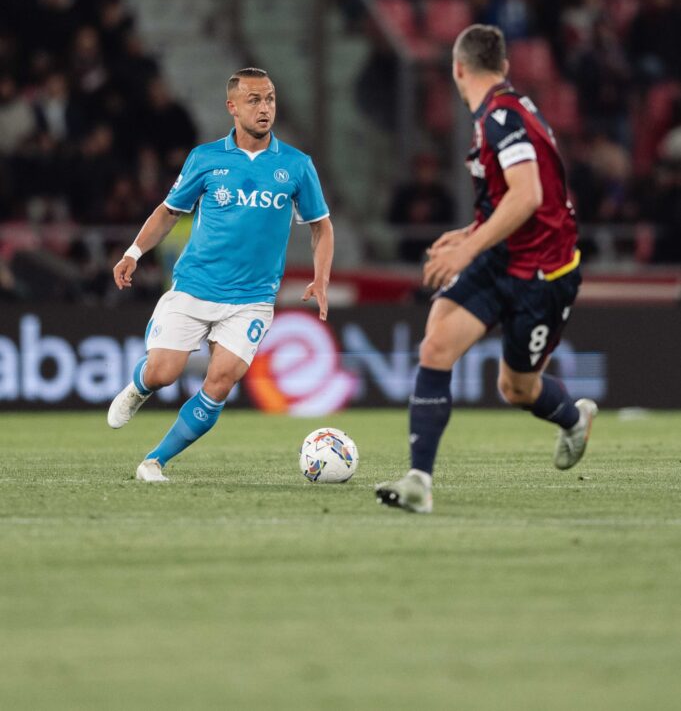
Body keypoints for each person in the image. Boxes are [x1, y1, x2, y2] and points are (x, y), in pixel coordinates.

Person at [376, 25, 597, 514]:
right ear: (504, 65)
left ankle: (573, 418)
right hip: (504, 258)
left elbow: (528, 195)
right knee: (436, 344)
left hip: (543, 274)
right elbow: (510, 196)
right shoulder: (503, 111)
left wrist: (468, 247)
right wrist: (472, 231)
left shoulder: (500, 117)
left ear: (457, 69)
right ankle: (419, 481)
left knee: (516, 388)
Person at [107, 68, 333, 482]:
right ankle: (139, 387)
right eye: (254, 100)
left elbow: (321, 225)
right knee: (163, 373)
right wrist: (134, 252)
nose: (264, 108)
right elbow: (168, 211)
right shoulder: (205, 158)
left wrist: (321, 278)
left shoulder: (297, 166)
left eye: (270, 99)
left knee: (221, 381)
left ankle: (154, 461)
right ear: (232, 106)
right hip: (195, 287)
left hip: (252, 299)